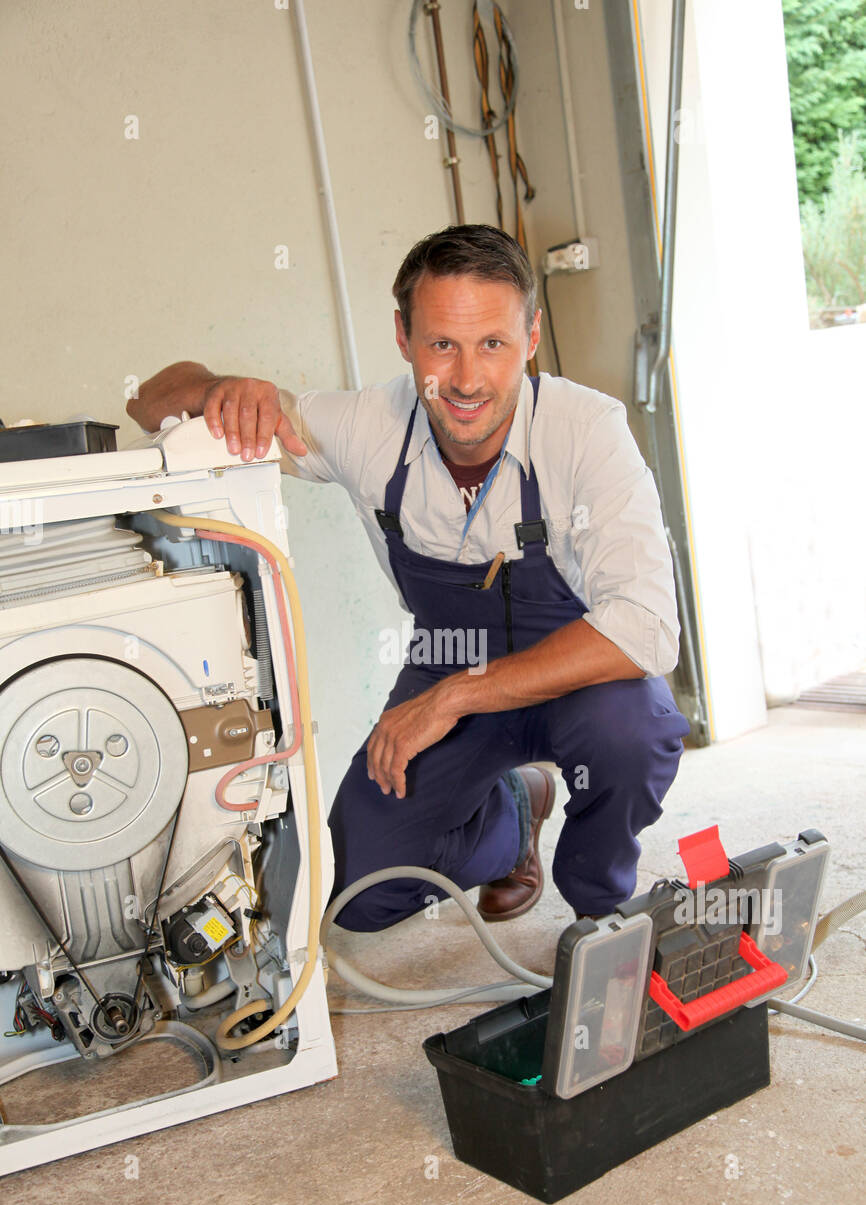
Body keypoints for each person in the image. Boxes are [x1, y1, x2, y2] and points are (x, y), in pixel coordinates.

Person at [128, 224, 691, 931]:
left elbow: (646, 628)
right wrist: (220, 390)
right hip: (447, 656)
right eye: (441, 344)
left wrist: (456, 697)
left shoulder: (587, 430)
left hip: (575, 670)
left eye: (493, 343)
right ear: (403, 336)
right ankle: (516, 817)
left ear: (533, 335)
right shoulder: (368, 425)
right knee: (360, 891)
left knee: (630, 731)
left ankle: (602, 907)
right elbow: (149, 402)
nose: (466, 380)